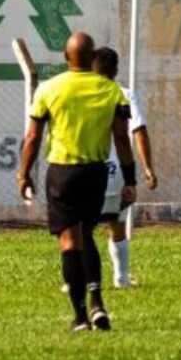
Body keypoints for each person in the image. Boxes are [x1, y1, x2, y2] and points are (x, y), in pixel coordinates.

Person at [18, 32, 136, 332]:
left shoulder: (49, 89)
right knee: (87, 234)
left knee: (70, 241)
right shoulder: (112, 91)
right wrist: (130, 178)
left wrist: (24, 173)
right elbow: (122, 137)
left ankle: (81, 315)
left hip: (62, 171)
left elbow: (32, 137)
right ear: (92, 55)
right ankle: (97, 301)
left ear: (65, 56)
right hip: (96, 171)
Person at [91, 47, 158, 288]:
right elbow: (138, 131)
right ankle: (120, 277)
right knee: (116, 224)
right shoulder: (125, 94)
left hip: (84, 169)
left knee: (80, 227)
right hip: (116, 172)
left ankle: (78, 279)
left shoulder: (79, 95)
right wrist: (148, 168)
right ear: (116, 70)